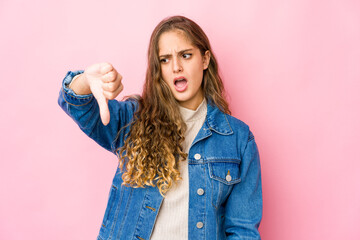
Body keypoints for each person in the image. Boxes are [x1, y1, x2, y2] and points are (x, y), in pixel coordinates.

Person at [58, 15, 262, 240]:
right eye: (165, 59)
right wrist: (86, 80)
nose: (176, 67)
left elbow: (243, 232)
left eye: (186, 55)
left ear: (205, 60)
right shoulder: (133, 121)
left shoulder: (238, 139)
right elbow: (76, 104)